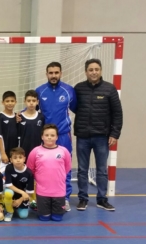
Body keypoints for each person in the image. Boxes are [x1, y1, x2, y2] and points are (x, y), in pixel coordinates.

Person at [74, 58, 123, 211]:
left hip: (102, 137)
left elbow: (117, 113)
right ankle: (83, 199)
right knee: (82, 169)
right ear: (86, 72)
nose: (94, 72)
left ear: (100, 71)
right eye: (91, 70)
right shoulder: (79, 88)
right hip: (82, 136)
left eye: (96, 69)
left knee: (101, 170)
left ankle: (102, 199)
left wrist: (114, 134)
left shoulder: (109, 89)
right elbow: (75, 108)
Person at [36, 62, 77, 212]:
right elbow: (31, 109)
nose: (54, 75)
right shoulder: (40, 91)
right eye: (51, 73)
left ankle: (65, 198)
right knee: (42, 168)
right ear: (46, 74)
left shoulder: (69, 91)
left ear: (61, 73)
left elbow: (78, 109)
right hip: (44, 137)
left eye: (56, 72)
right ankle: (40, 197)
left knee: (64, 168)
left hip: (63, 136)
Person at [27, 124, 71, 221]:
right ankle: (39, 206)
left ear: (57, 137)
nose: (49, 137)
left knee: (57, 218)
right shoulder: (35, 151)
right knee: (44, 218)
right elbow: (30, 169)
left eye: (52, 135)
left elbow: (67, 168)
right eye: (46, 135)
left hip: (59, 191)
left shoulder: (64, 151)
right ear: (42, 137)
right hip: (42, 191)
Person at [3, 147, 34, 222]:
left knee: (23, 216)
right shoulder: (9, 168)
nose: (18, 160)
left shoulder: (29, 173)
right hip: (11, 191)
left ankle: (16, 206)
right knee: (8, 193)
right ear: (11, 160)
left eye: (20, 157)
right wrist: (22, 192)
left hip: (22, 197)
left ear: (24, 159)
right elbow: (9, 185)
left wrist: (20, 200)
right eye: (15, 158)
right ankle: (9, 211)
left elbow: (29, 192)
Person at [0, 91, 18, 173]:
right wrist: (3, 153)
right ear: (2, 102)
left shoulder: (17, 117)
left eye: (12, 101)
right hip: (4, 154)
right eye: (7, 101)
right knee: (2, 176)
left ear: (16, 102)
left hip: (14, 153)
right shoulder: (0, 117)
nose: (10, 103)